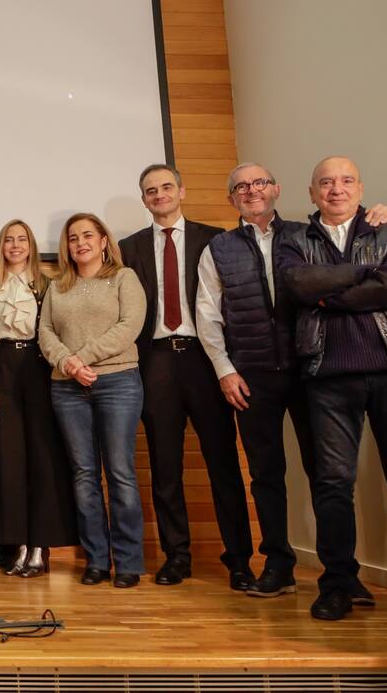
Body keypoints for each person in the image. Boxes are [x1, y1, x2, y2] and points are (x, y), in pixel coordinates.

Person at [195, 163, 387, 599]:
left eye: (260, 182)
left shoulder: (306, 236)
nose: (251, 191)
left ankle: (341, 574)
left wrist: (379, 214)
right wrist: (225, 370)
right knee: (266, 475)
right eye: (241, 186)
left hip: (312, 370)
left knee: (328, 475)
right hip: (250, 377)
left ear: (277, 189)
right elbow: (208, 315)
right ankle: (279, 564)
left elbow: (349, 243)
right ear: (232, 199)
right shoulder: (218, 248)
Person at [275, 156, 387, 624]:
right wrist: (367, 274)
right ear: (312, 193)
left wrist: (329, 291)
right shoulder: (292, 239)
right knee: (333, 486)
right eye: (325, 182)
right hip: (328, 379)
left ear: (360, 188)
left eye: (346, 180)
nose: (336, 189)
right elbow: (297, 283)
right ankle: (338, 585)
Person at [118, 163, 254, 590]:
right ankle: (177, 556)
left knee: (223, 463)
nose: (158, 195)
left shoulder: (216, 239)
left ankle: (238, 560)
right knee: (165, 465)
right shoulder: (128, 247)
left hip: (206, 359)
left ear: (181, 190)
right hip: (155, 360)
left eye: (165, 187)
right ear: (143, 200)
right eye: (150, 190)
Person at [37, 214, 147, 588]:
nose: (80, 242)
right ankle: (97, 560)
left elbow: (129, 326)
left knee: (120, 473)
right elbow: (45, 331)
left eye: (88, 235)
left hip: (117, 381)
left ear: (103, 241)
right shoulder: (58, 286)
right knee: (84, 476)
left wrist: (81, 357)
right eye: (73, 238)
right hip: (66, 387)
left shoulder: (123, 278)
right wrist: (67, 362)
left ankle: (129, 562)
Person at [0, 219, 77, 578]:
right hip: (3, 370)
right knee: (9, 461)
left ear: (31, 245)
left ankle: (40, 546)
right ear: (1, 247)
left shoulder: (48, 285)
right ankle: (17, 543)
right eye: (8, 240)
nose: (15, 246)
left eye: (22, 240)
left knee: (42, 461)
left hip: (39, 369)